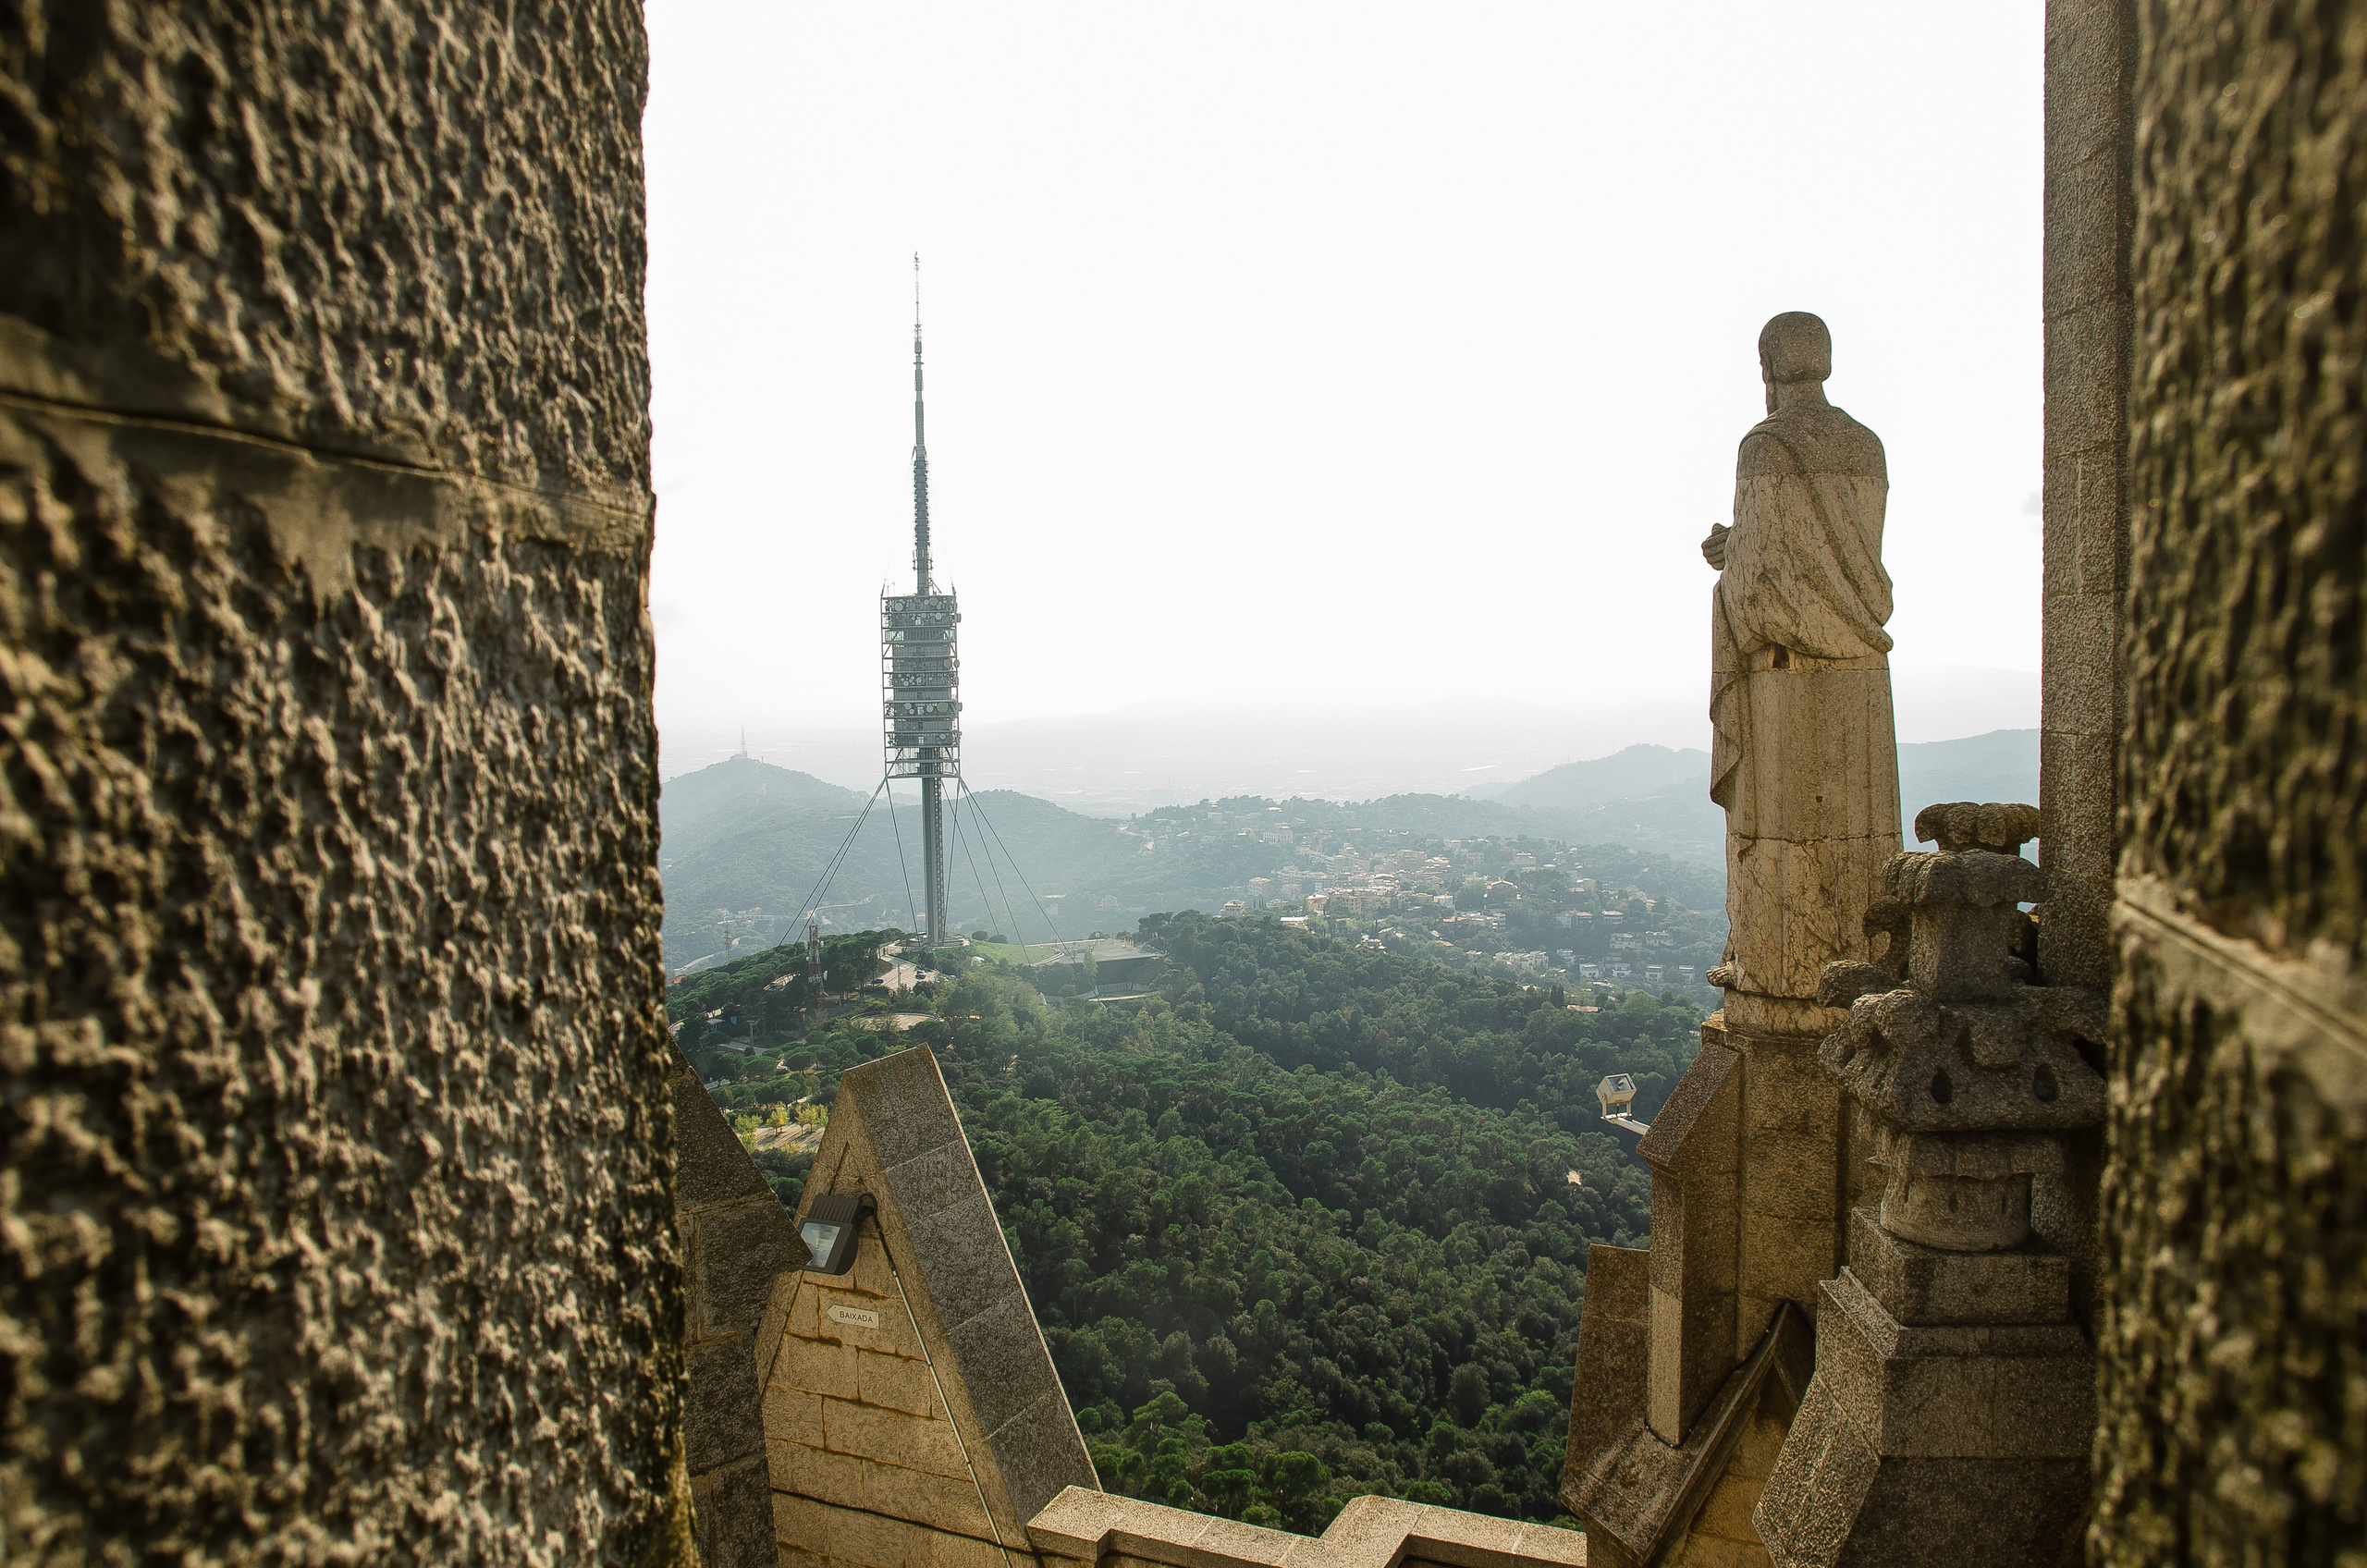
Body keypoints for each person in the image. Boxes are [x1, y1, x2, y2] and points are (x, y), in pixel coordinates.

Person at [1700, 312, 1902, 1024]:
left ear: (1766, 368)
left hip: (1788, 683)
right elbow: (1834, 561)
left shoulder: (1765, 448)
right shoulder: (1866, 446)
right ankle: (1870, 957)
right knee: (1862, 840)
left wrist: (1728, 560)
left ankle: (1780, 975)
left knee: (1778, 840)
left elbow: (1760, 589)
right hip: (1862, 680)